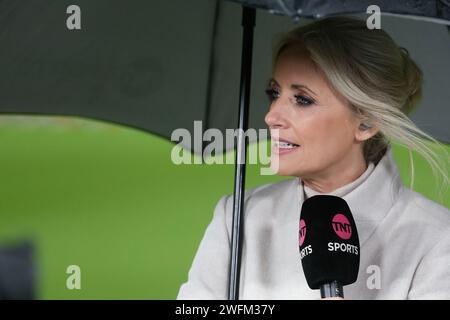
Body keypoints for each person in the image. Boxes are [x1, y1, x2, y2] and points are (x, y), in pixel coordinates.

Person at [177, 17, 450, 299]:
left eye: (302, 99)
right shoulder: (237, 218)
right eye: (274, 93)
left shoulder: (439, 239)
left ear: (367, 123)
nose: (271, 117)